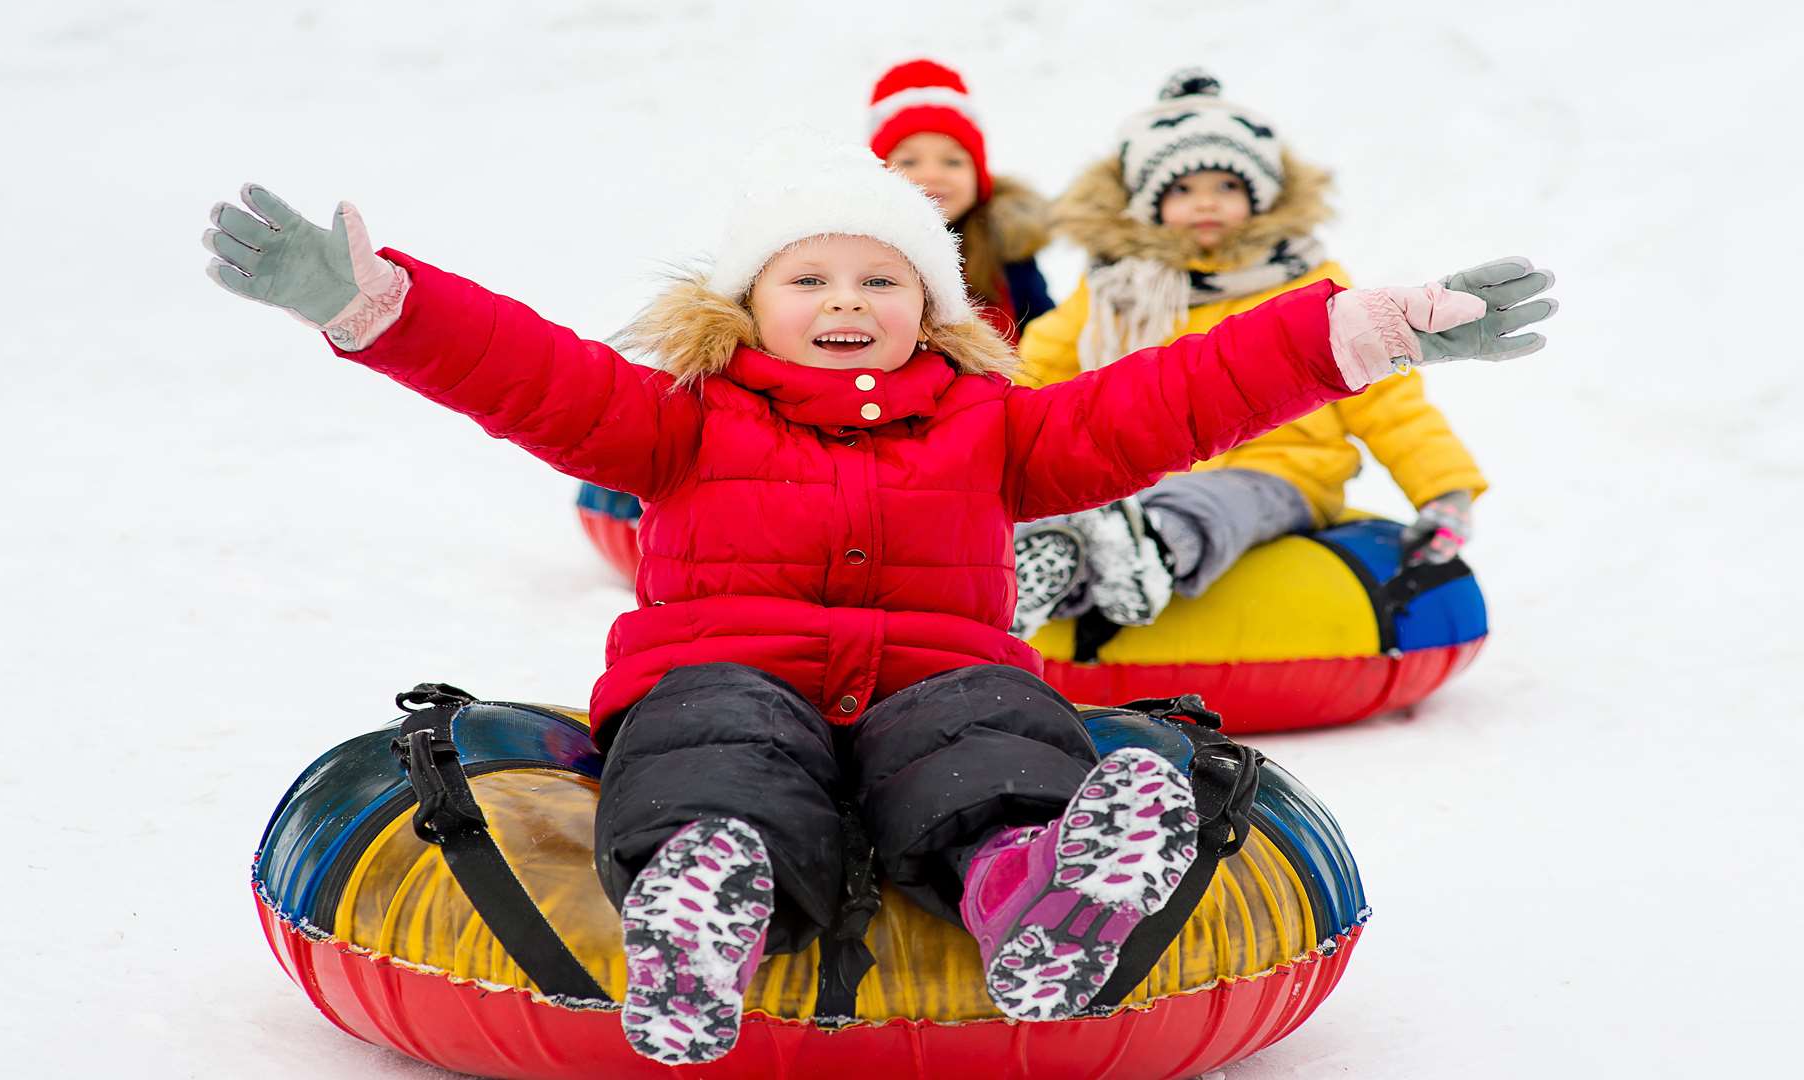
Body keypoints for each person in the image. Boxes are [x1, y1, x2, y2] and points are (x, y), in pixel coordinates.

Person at [202, 136, 1553, 1063]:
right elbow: (529, 374)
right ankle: (700, 905)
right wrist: (380, 304)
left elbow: (1175, 397)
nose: (845, 300)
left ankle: (1034, 897)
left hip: (931, 679)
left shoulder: (995, 429)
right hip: (727, 671)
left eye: (881, 278)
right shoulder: (675, 422)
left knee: (996, 729)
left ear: (932, 307)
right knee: (715, 735)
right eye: (810, 278)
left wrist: (1358, 332)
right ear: (747, 305)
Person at [1012, 70, 1503, 638]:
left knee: (1218, 503)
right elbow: (1036, 377)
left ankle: (1149, 551)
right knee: (1093, 500)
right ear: (1147, 203)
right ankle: (1046, 573)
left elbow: (1391, 401)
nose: (1207, 205)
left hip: (1280, 470)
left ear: (1261, 197)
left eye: (1227, 187)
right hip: (1141, 471)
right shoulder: (1117, 292)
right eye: (1182, 189)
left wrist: (1445, 488)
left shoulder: (1308, 284)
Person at [870, 58, 1054, 342]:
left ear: (978, 176)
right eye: (909, 160)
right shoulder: (859, 248)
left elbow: (1045, 337)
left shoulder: (1006, 249)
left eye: (953, 162)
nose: (932, 174)